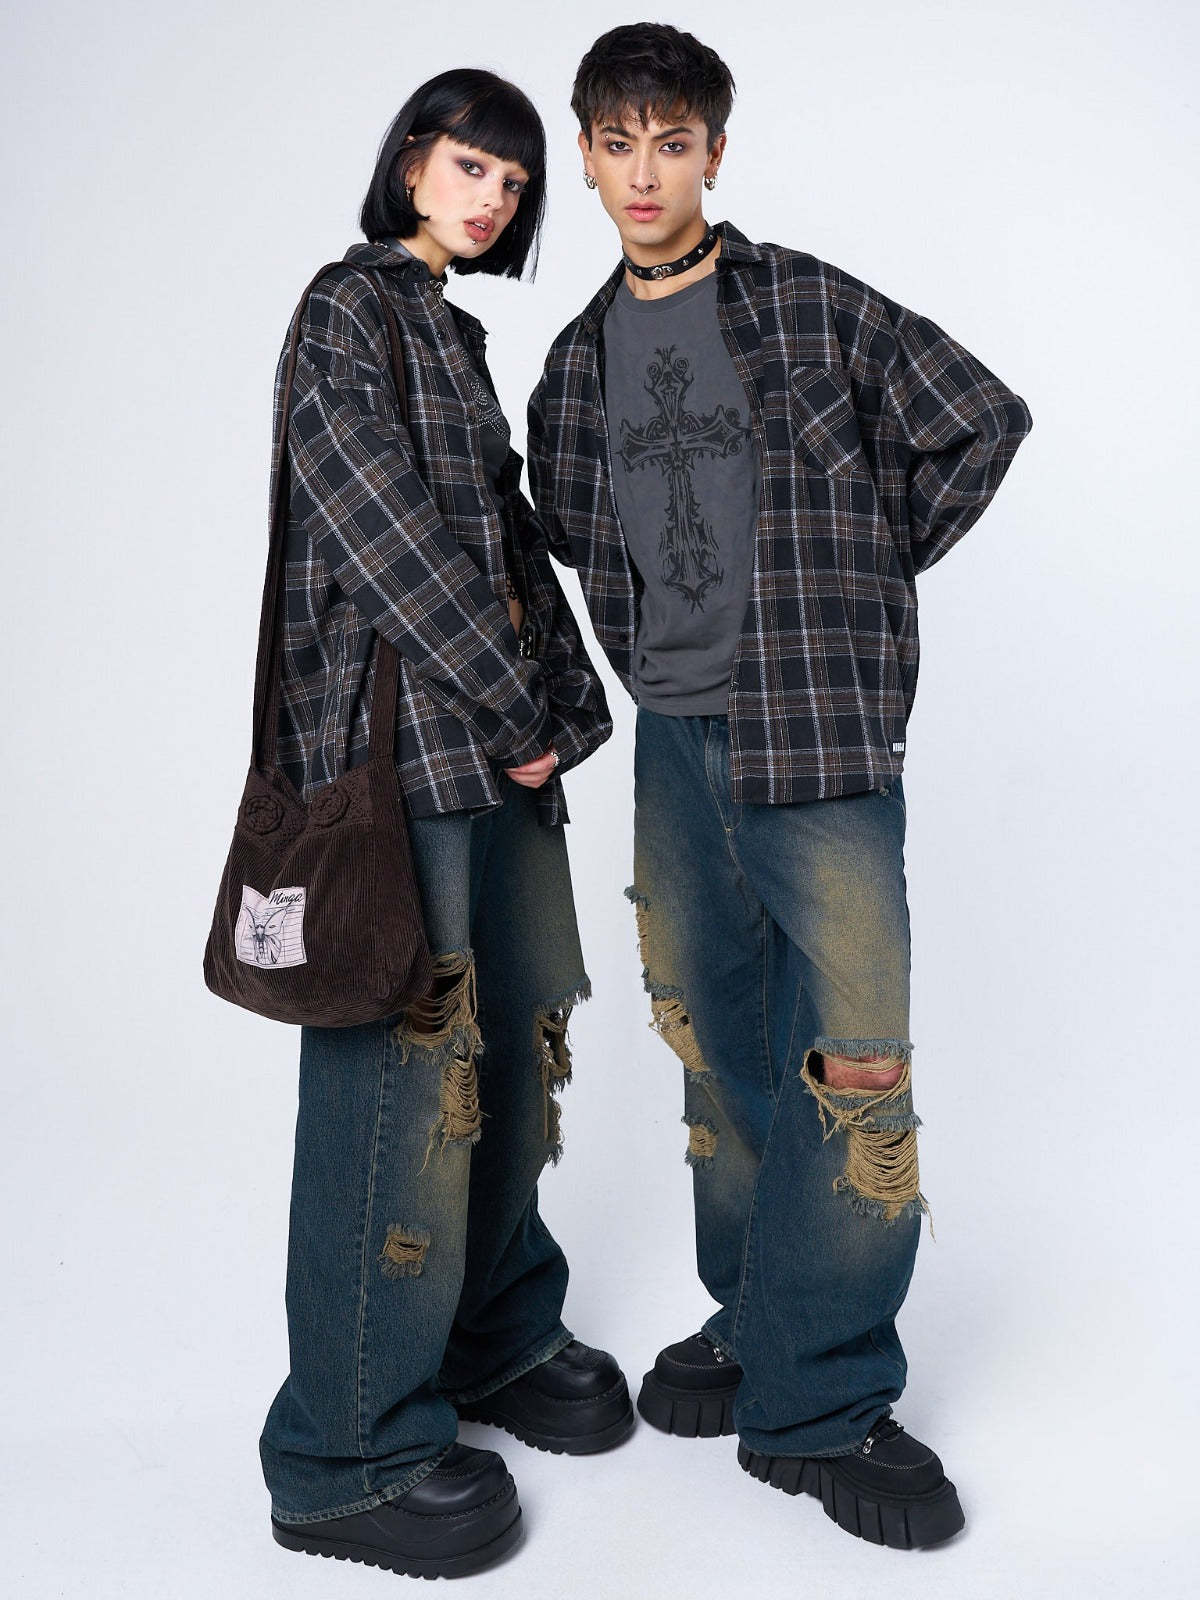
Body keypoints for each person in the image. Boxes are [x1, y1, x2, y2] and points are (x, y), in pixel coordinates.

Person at [526, 24, 1033, 1550]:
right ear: (587, 156)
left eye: (672, 142)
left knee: (854, 1062)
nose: (645, 173)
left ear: (714, 154)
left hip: (817, 738)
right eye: (619, 144)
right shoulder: (574, 365)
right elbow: (570, 524)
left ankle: (825, 1402)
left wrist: (861, 581)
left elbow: (980, 415)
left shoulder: (808, 303)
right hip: (677, 747)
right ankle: (757, 1318)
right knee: (720, 1045)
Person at [259, 69, 630, 1580]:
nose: (491, 199)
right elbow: (384, 538)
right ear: (411, 158)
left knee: (516, 1052)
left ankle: (491, 1337)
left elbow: (505, 541)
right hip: (399, 767)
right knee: (400, 1090)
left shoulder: (454, 335)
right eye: (472, 165)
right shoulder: (344, 311)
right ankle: (341, 1450)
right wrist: (516, 702)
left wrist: (568, 714)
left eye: (515, 184)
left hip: (496, 759)